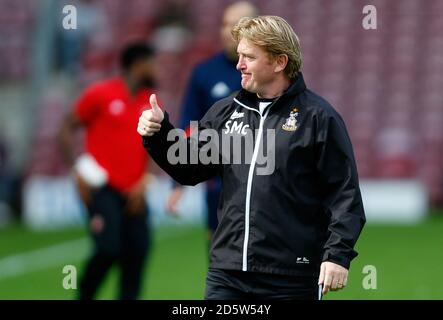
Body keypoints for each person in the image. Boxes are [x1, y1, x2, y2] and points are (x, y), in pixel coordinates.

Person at [137, 16, 365, 300]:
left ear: (280, 62)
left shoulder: (319, 117)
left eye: (249, 57)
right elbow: (188, 168)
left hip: (292, 277)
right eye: (239, 55)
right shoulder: (225, 112)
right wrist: (159, 133)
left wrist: (337, 255)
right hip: (227, 273)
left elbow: (344, 195)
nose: (238, 64)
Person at [58, 42, 155, 300]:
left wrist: (146, 180)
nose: (155, 69)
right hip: (103, 188)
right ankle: (85, 295)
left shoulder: (150, 101)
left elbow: (158, 144)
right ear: (138, 64)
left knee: (138, 250)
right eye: (151, 63)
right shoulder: (101, 93)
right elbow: (67, 127)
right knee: (109, 248)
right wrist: (76, 169)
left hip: (134, 191)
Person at [166, 1, 259, 245]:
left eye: (233, 24)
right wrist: (178, 182)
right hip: (219, 186)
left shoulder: (269, 71)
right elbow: (189, 125)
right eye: (224, 24)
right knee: (220, 258)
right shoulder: (204, 73)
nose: (224, 30)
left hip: (264, 183)